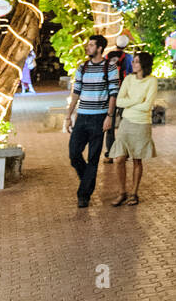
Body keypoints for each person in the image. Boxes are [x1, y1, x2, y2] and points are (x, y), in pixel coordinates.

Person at [64, 34, 120, 209]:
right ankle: (87, 181)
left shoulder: (110, 68)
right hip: (82, 117)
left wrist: (109, 117)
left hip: (99, 118)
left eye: (91, 45)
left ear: (100, 48)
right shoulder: (83, 67)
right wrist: (68, 115)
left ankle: (84, 195)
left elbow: (113, 94)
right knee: (74, 154)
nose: (88, 48)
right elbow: (76, 93)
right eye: (88, 45)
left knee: (93, 158)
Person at [111, 51, 158, 206]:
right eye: (133, 61)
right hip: (126, 122)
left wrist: (131, 102)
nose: (133, 64)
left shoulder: (151, 81)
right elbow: (119, 101)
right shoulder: (129, 79)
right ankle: (121, 192)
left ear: (143, 64)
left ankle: (134, 193)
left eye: (136, 61)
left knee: (137, 160)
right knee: (119, 159)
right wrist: (137, 100)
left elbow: (147, 106)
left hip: (142, 123)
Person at [103, 33, 133, 163]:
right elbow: (131, 75)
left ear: (116, 44)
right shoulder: (128, 57)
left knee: (109, 123)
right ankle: (123, 152)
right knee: (124, 123)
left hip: (110, 93)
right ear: (126, 45)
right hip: (122, 93)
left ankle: (110, 153)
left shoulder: (107, 56)